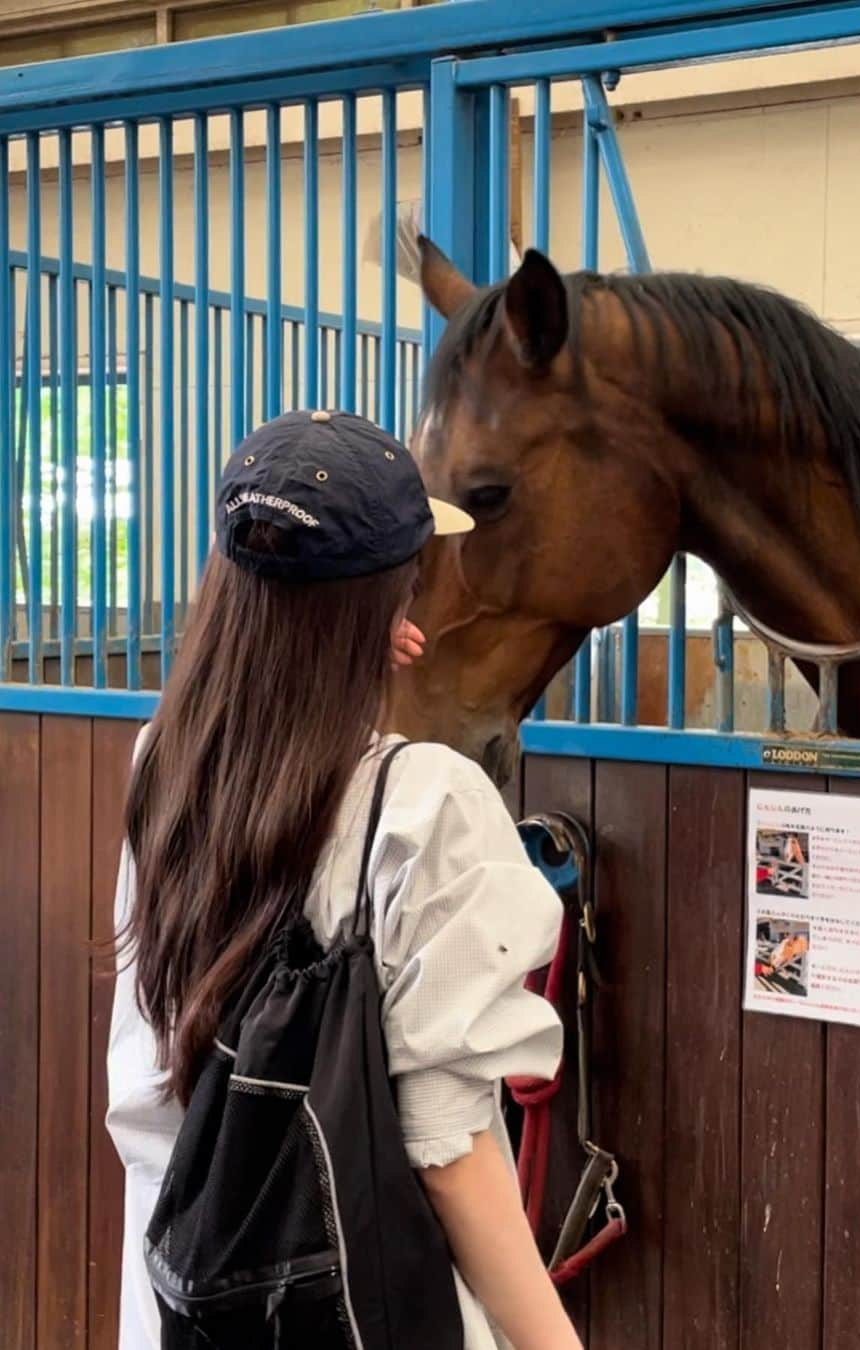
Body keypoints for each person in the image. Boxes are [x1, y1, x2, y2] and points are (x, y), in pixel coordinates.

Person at [106, 410, 583, 1350]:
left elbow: (145, 1084)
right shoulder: (429, 805)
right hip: (366, 1309)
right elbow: (447, 1154)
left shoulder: (160, 763)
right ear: (392, 612)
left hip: (178, 1291)